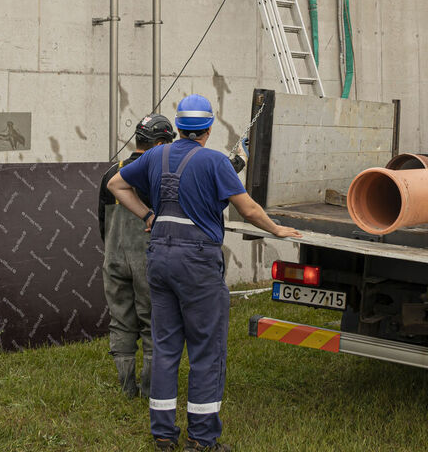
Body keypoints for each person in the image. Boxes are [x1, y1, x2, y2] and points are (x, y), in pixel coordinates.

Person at [108, 94, 302, 452]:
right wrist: (277, 229)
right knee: (206, 350)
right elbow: (248, 209)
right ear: (208, 129)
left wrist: (149, 215)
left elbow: (116, 185)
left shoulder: (155, 155)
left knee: (165, 347)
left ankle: (163, 434)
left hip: (160, 256)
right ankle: (201, 439)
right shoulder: (215, 162)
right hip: (196, 262)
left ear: (179, 127)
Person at [99, 113, 176, 398]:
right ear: (159, 144)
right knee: (153, 321)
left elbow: (102, 220)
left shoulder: (112, 172)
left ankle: (126, 388)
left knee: (120, 319)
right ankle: (149, 390)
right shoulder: (157, 173)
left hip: (113, 257)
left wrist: (112, 251)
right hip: (146, 258)